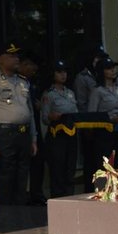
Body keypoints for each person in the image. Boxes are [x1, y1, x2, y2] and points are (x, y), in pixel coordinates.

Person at [0, 42, 38, 206]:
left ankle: (20, 217)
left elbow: (30, 112)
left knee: (22, 177)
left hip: (24, 134)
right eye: (11, 56)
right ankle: (6, 221)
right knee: (5, 178)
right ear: (0, 59)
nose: (16, 59)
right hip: (5, 135)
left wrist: (33, 138)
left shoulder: (23, 81)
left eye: (17, 55)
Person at [41, 60, 79, 198]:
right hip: (57, 135)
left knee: (70, 167)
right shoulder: (49, 94)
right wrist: (52, 116)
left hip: (71, 133)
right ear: (53, 74)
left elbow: (76, 112)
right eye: (59, 72)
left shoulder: (70, 93)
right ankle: (58, 197)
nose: (63, 75)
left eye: (64, 72)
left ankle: (71, 196)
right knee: (57, 168)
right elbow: (44, 118)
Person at [74, 46, 109, 193]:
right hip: (88, 123)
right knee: (90, 159)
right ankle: (90, 189)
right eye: (96, 58)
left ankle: (104, 188)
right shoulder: (82, 77)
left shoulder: (99, 74)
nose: (98, 61)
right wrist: (87, 126)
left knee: (103, 159)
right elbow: (81, 103)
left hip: (103, 124)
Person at [88, 57, 118, 168]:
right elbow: (92, 116)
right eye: (109, 68)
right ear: (102, 71)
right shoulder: (97, 91)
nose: (113, 70)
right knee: (106, 165)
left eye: (113, 68)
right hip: (104, 134)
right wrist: (110, 119)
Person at [18, 54, 46, 206]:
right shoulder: (17, 82)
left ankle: (37, 193)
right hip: (21, 129)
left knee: (38, 162)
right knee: (23, 164)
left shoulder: (31, 83)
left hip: (34, 128)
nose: (33, 68)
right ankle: (23, 195)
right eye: (29, 64)